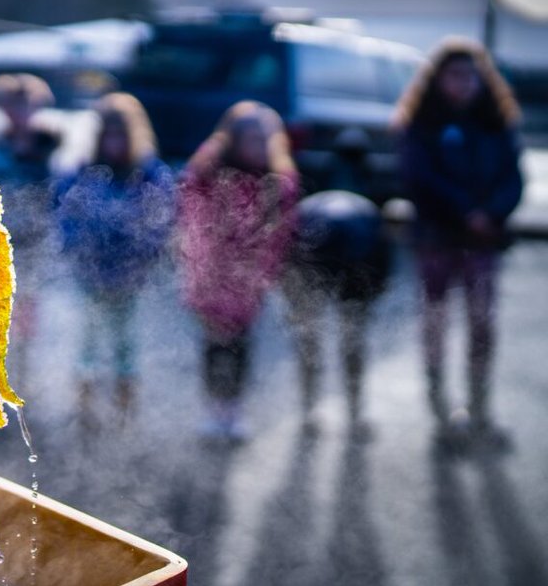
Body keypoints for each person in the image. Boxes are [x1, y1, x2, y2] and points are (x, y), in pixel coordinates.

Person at [392, 37, 523, 448]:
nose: (463, 83)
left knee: (482, 322)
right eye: (455, 75)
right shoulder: (421, 124)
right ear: (437, 79)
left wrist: (492, 213)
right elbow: (418, 178)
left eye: (470, 75)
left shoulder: (496, 123)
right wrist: (465, 211)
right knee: (436, 320)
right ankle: (439, 411)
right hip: (438, 236)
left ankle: (480, 409)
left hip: (483, 240)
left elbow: (514, 178)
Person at [177, 101, 299, 441]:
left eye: (263, 139)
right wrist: (199, 268)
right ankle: (213, 407)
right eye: (251, 138)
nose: (257, 146)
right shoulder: (208, 174)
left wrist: (264, 272)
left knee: (241, 344)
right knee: (213, 343)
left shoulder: (277, 182)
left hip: (249, 279)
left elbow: (279, 234)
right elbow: (192, 215)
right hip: (211, 275)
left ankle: (234, 407)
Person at [56, 92, 174, 414]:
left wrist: (145, 256)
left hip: (129, 275)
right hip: (90, 272)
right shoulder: (83, 172)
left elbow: (160, 221)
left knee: (125, 342)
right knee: (87, 339)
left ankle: (125, 407)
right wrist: (76, 249)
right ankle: (85, 407)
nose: (114, 142)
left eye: (120, 134)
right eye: (108, 134)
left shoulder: (149, 174)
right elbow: (66, 215)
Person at [282, 189, 391, 438]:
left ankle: (314, 412)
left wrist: (292, 296)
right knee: (340, 339)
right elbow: (382, 269)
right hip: (323, 255)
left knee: (316, 339)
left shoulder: (362, 227)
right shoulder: (367, 224)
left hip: (329, 254)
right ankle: (349, 413)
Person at [0, 73, 61, 383]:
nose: (21, 113)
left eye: (27, 106)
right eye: (14, 106)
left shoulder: (47, 145)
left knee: (27, 302)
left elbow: (56, 192)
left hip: (33, 239)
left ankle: (22, 366)